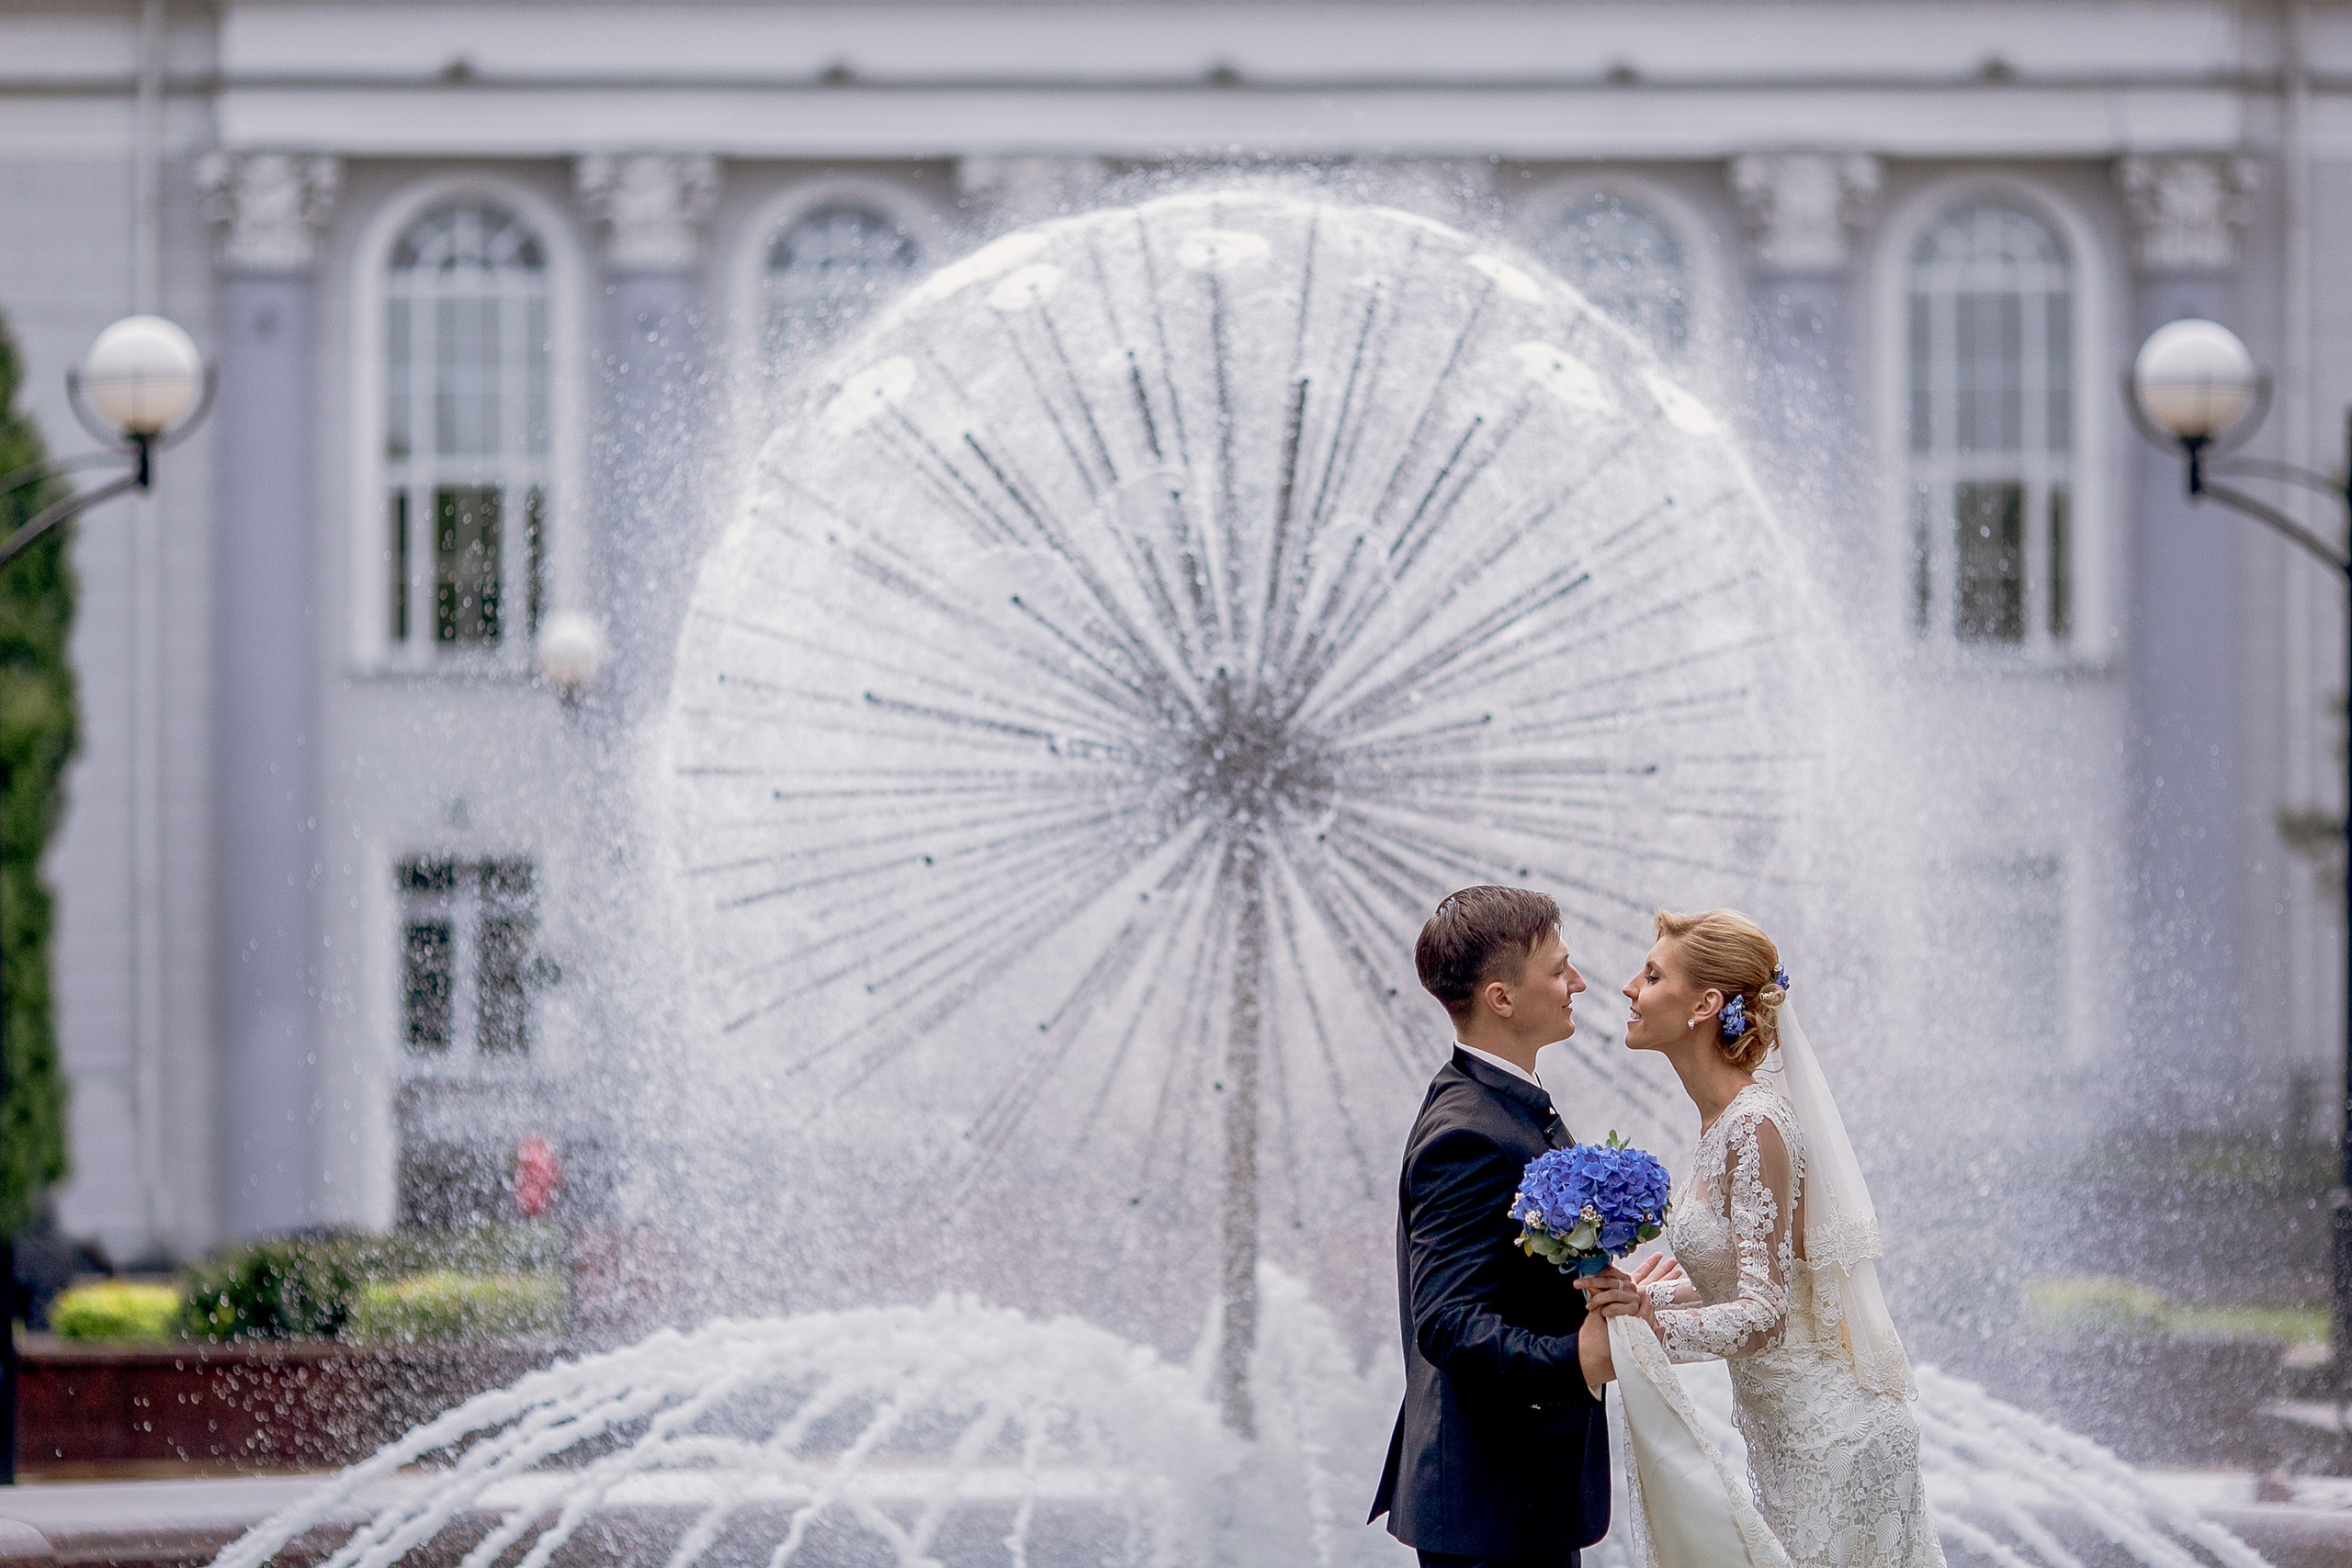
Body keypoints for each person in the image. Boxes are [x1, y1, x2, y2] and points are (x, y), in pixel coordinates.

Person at [1619, 908, 1946, 1568]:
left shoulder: (1755, 1123)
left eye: (1652, 974)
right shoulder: (1720, 1122)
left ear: (1705, 1004)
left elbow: (1764, 1317)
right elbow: (1751, 1276)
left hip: (1835, 1446)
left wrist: (1648, 1326)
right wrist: (1642, 1298)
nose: (1630, 986)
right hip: (1790, 1441)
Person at [1370, 886, 1645, 1568]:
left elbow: (1512, 1276)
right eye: (1559, 970)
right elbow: (1446, 1318)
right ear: (1501, 998)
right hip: (1489, 1508)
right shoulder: (1466, 1131)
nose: (1578, 983)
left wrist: (1610, 1287)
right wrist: (1574, 1359)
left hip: (1515, 1500)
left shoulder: (1503, 1103)